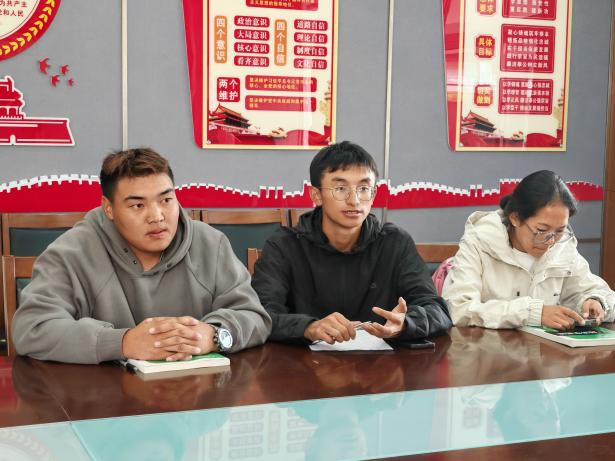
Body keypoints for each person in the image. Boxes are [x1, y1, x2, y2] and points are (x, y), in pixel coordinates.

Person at [12, 148, 271, 364]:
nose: (157, 216)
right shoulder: (70, 253)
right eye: (138, 205)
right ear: (109, 209)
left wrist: (214, 335)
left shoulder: (211, 243)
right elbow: (32, 328)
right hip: (104, 400)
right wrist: (122, 342)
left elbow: (254, 316)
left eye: (166, 200)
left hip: (197, 398)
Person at [251, 141, 451, 345]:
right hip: (302, 362)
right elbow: (259, 314)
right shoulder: (284, 245)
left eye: (363, 188)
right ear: (316, 195)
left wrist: (405, 324)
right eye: (340, 188)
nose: (354, 200)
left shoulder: (395, 243)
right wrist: (308, 327)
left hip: (383, 362)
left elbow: (437, 310)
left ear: (373, 194)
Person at [442, 170, 614, 330]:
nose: (550, 241)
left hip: (546, 350)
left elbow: (601, 293)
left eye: (560, 231)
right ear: (515, 218)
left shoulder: (562, 246)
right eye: (541, 230)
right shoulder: (479, 242)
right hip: (487, 348)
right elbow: (459, 309)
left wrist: (596, 302)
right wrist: (532, 313)